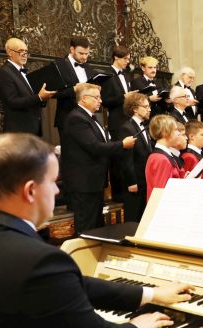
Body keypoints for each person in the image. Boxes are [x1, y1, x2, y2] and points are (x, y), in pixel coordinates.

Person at [0, 133, 192, 328]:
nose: (58, 191)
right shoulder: (38, 260)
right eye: (53, 181)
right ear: (30, 191)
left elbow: (72, 284)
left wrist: (150, 294)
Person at [60, 83, 137, 233]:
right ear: (83, 99)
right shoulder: (77, 118)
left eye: (100, 97)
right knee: (87, 225)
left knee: (96, 224)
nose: (100, 101)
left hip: (93, 180)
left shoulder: (89, 117)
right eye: (96, 97)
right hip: (84, 181)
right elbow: (94, 146)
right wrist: (122, 144)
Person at [0, 37, 56, 135]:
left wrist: (44, 98)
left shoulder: (24, 72)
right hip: (18, 130)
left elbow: (30, 99)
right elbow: (12, 101)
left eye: (26, 52)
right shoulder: (3, 72)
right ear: (9, 52)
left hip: (32, 128)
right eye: (21, 51)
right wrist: (39, 97)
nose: (24, 55)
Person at [101, 45, 134, 203]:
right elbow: (106, 101)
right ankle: (117, 193)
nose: (128, 62)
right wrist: (124, 97)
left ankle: (128, 188)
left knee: (128, 156)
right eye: (125, 59)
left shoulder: (126, 75)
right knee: (118, 155)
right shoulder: (107, 75)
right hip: (116, 120)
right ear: (116, 58)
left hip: (127, 118)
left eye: (129, 59)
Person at [115, 92, 152, 222]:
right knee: (134, 217)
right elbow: (125, 158)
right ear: (135, 109)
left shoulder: (144, 126)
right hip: (135, 180)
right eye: (146, 107)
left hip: (144, 179)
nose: (149, 109)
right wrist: (131, 181)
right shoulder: (127, 128)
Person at [54, 36, 97, 134]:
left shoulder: (88, 67)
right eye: (81, 53)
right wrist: (74, 89)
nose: (84, 57)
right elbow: (55, 93)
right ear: (72, 49)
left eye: (87, 54)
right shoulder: (60, 65)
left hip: (88, 118)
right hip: (67, 118)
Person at [145, 116, 188, 201]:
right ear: (165, 132)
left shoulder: (162, 155)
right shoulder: (161, 159)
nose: (179, 133)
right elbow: (161, 192)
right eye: (176, 130)